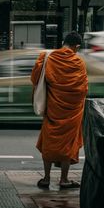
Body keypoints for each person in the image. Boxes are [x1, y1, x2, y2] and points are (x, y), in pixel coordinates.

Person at [30, 31, 88, 189]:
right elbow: (83, 89)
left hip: (52, 110)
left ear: (64, 42)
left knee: (49, 142)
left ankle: (47, 178)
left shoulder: (48, 58)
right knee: (68, 145)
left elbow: (34, 78)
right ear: (76, 46)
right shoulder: (79, 63)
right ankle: (64, 179)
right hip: (72, 113)